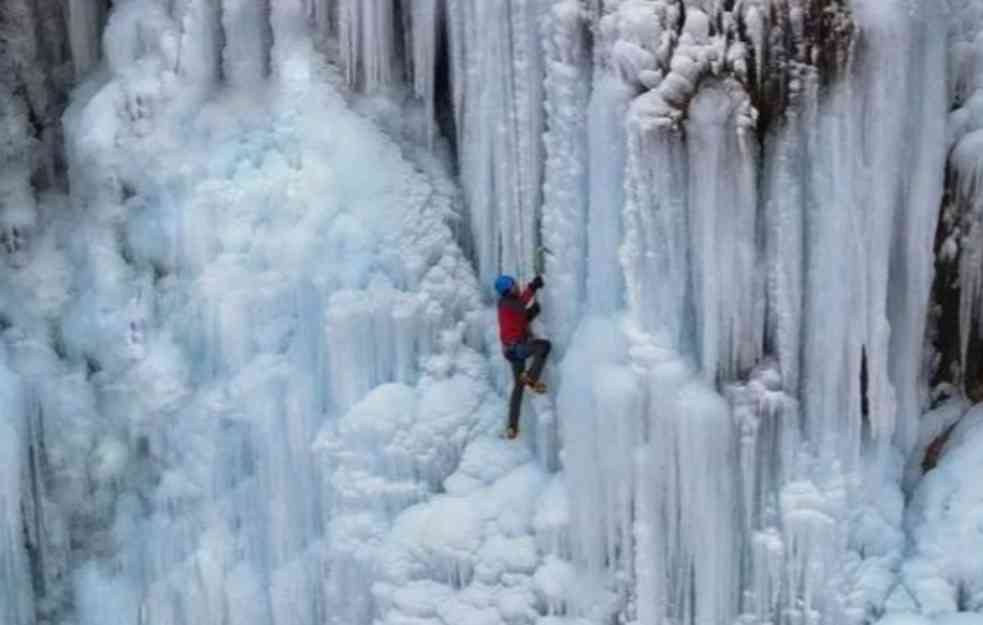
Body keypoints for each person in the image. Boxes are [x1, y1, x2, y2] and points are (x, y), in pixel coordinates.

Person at [495, 274, 551, 439]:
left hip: (511, 351)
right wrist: (533, 286)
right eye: (513, 284)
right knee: (544, 346)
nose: (516, 285)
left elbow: (520, 318)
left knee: (518, 387)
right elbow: (521, 305)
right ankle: (532, 378)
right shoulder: (507, 303)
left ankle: (512, 427)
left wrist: (532, 312)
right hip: (516, 348)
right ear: (508, 289)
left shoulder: (508, 305)